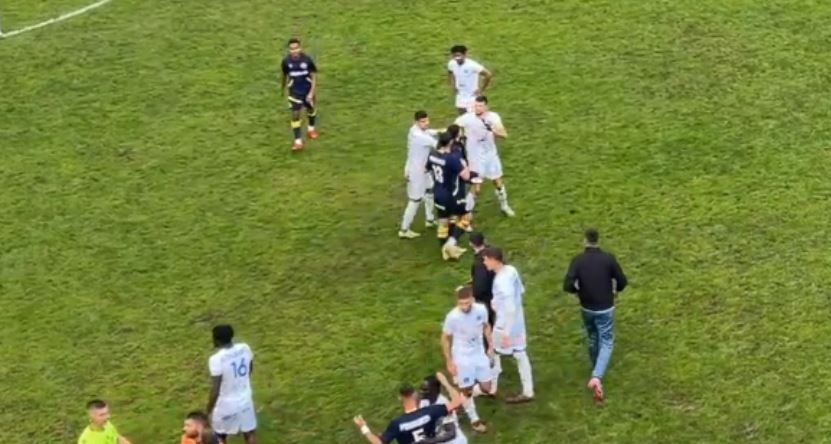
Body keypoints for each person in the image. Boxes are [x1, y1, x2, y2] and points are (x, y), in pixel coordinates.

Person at [563, 228, 628, 402]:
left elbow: (567, 285)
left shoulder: (578, 261)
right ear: (598, 240)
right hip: (605, 307)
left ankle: (596, 369)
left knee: (592, 337)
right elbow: (622, 281)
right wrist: (616, 291)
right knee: (606, 340)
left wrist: (578, 291)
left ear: (585, 240)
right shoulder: (608, 259)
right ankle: (597, 377)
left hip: (587, 307)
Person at [482, 247, 534, 403]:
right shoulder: (511, 270)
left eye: (486, 260)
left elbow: (509, 307)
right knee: (520, 353)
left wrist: (506, 332)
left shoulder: (501, 281)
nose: (484, 263)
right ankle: (528, 390)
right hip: (518, 322)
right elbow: (521, 291)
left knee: (494, 351)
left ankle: (491, 387)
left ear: (493, 259)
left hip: (505, 324)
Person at [441, 286, 494, 433]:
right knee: (466, 389)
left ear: (472, 299)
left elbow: (486, 326)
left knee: (487, 388)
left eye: (467, 303)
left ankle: (463, 397)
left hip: (479, 352)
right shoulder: (452, 317)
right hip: (462, 356)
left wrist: (490, 345)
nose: (464, 307)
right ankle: (474, 419)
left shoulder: (481, 309)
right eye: (461, 304)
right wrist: (449, 361)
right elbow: (445, 339)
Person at [455, 96, 514, 217]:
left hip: (490, 155)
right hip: (475, 158)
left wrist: (492, 130)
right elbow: (454, 127)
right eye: (476, 105)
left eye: (480, 106)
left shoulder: (493, 117)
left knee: (498, 183)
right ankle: (466, 213)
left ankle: (504, 206)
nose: (477, 108)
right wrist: (460, 135)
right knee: (476, 188)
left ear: (486, 106)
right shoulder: (467, 118)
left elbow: (504, 135)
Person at [352, 382, 464, 444]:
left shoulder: (397, 424)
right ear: (415, 395)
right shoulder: (431, 411)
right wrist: (447, 383)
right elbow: (458, 401)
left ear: (400, 398)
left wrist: (363, 427)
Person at [426, 132, 475, 261]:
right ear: (450, 142)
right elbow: (466, 176)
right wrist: (465, 165)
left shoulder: (432, 154)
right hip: (451, 195)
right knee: (467, 216)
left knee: (443, 221)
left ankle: (445, 251)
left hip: (438, 193)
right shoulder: (451, 159)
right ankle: (451, 244)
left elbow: (426, 169)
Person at [206, 325, 257, 444]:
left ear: (217, 340)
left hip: (225, 405)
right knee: (250, 433)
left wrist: (208, 410)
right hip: (245, 400)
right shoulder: (245, 348)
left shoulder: (216, 359)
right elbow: (249, 369)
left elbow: (215, 390)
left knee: (220, 437)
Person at [399, 110, 438, 239]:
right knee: (415, 200)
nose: (426, 123)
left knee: (430, 190)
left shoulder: (415, 130)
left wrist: (442, 130)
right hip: (416, 172)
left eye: (427, 120)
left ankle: (430, 219)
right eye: (423, 121)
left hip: (423, 169)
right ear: (416, 122)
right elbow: (437, 144)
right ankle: (404, 230)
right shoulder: (419, 136)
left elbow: (430, 132)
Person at [280, 37, 318, 151]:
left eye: (296, 48)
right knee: (295, 114)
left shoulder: (307, 60)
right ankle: (298, 141)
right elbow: (284, 75)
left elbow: (314, 76)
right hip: (294, 92)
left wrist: (311, 92)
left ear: (300, 48)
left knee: (311, 109)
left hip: (307, 90)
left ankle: (311, 129)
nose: (294, 51)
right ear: (289, 50)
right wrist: (283, 88)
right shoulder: (286, 62)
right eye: (292, 49)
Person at [419, 372, 468, 443]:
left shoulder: (443, 406)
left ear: (434, 390)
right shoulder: (424, 402)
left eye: (425, 389)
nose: (421, 391)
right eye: (421, 388)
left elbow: (452, 433)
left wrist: (430, 441)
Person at [447, 45, 493, 115]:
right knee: (462, 117)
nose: (457, 58)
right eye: (454, 56)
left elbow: (488, 74)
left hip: (472, 95)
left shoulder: (472, 65)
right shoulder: (451, 63)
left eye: (459, 56)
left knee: (475, 117)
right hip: (460, 95)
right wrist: (454, 86)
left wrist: (481, 89)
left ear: (465, 55)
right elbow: (450, 72)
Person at [469, 232, 496, 328]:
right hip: (494, 291)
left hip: (485, 298)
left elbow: (480, 286)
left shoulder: (480, 262)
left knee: (486, 323)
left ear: (471, 244)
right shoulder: (492, 252)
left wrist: (473, 295)